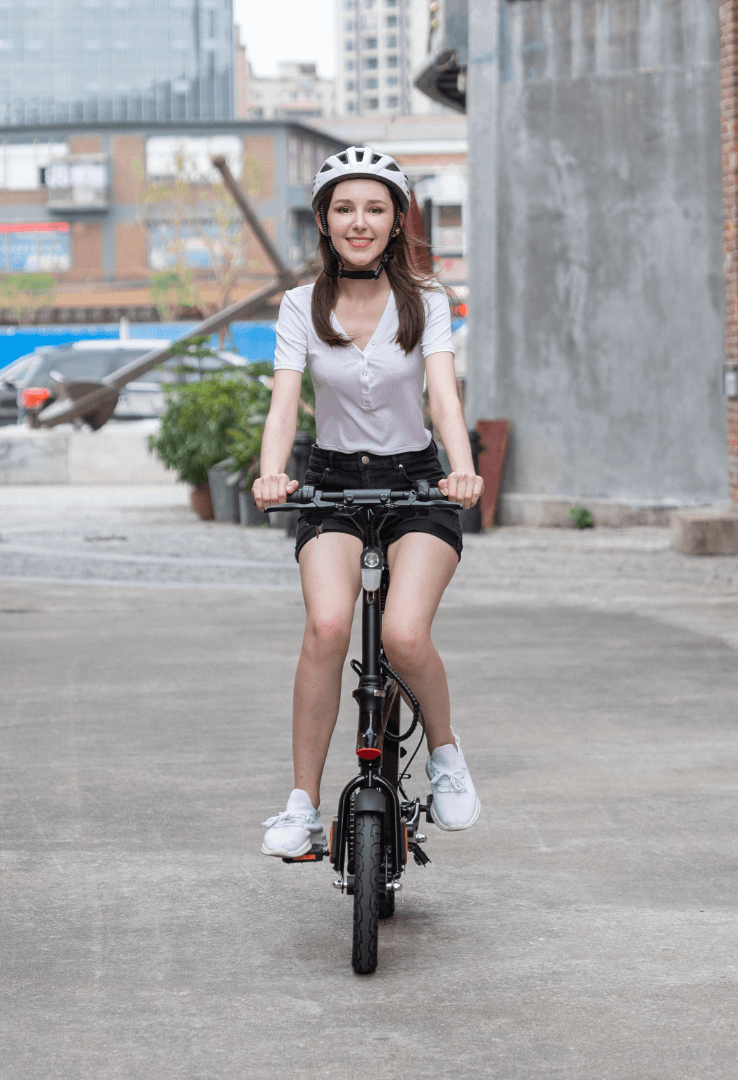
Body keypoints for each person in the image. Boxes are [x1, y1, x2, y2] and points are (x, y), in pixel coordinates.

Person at [256, 146, 484, 859]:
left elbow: (443, 397)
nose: (360, 222)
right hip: (331, 482)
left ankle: (446, 754)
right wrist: (271, 474)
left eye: (375, 209)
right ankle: (301, 805)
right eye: (345, 208)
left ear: (395, 222)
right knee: (327, 625)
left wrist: (462, 471)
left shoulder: (428, 301)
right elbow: (285, 402)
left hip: (417, 483)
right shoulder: (301, 305)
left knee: (403, 636)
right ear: (324, 221)